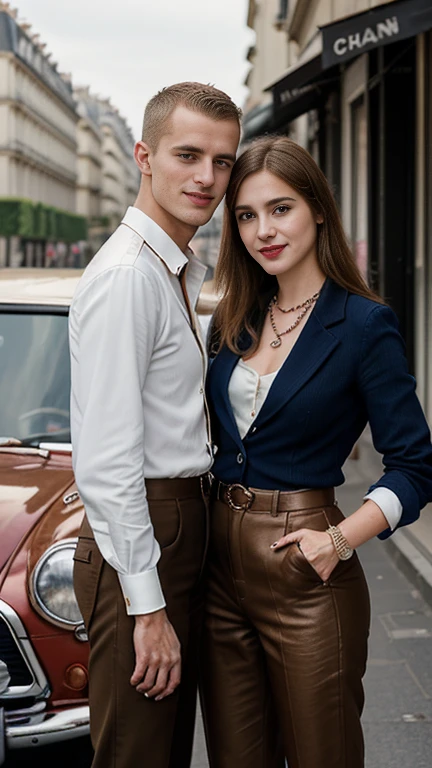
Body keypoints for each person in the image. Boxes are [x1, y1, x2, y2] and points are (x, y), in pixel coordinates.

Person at [201, 136, 432, 768]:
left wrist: (339, 540)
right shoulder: (234, 320)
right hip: (219, 566)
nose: (263, 231)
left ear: (319, 211)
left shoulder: (362, 324)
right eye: (246, 215)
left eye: (281, 209)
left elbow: (416, 465)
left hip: (307, 565)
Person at [69, 82, 241, 768]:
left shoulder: (173, 269)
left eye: (223, 162)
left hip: (173, 526)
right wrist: (147, 608)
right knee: (137, 754)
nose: (206, 178)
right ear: (144, 155)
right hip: (145, 534)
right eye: (188, 155)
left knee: (163, 749)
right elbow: (107, 461)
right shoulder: (129, 278)